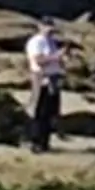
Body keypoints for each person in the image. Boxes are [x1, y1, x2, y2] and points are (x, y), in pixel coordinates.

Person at [25, 19, 69, 151]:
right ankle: (36, 141)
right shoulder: (36, 41)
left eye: (51, 26)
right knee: (40, 111)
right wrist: (56, 56)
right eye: (46, 26)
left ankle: (45, 142)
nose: (49, 29)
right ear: (40, 26)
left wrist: (61, 61)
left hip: (53, 78)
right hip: (42, 78)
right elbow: (39, 60)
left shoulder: (51, 42)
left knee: (51, 112)